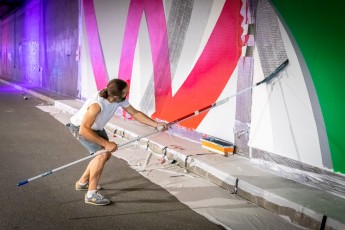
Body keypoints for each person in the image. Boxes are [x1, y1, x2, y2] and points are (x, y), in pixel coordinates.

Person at [68, 79, 167, 205]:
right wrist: (106, 144)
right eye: (126, 92)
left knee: (105, 154)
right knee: (103, 154)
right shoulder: (97, 105)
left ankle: (82, 182)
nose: (127, 94)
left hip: (96, 128)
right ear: (116, 96)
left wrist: (156, 124)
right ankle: (91, 194)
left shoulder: (118, 99)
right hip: (81, 128)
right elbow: (83, 130)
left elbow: (135, 113)